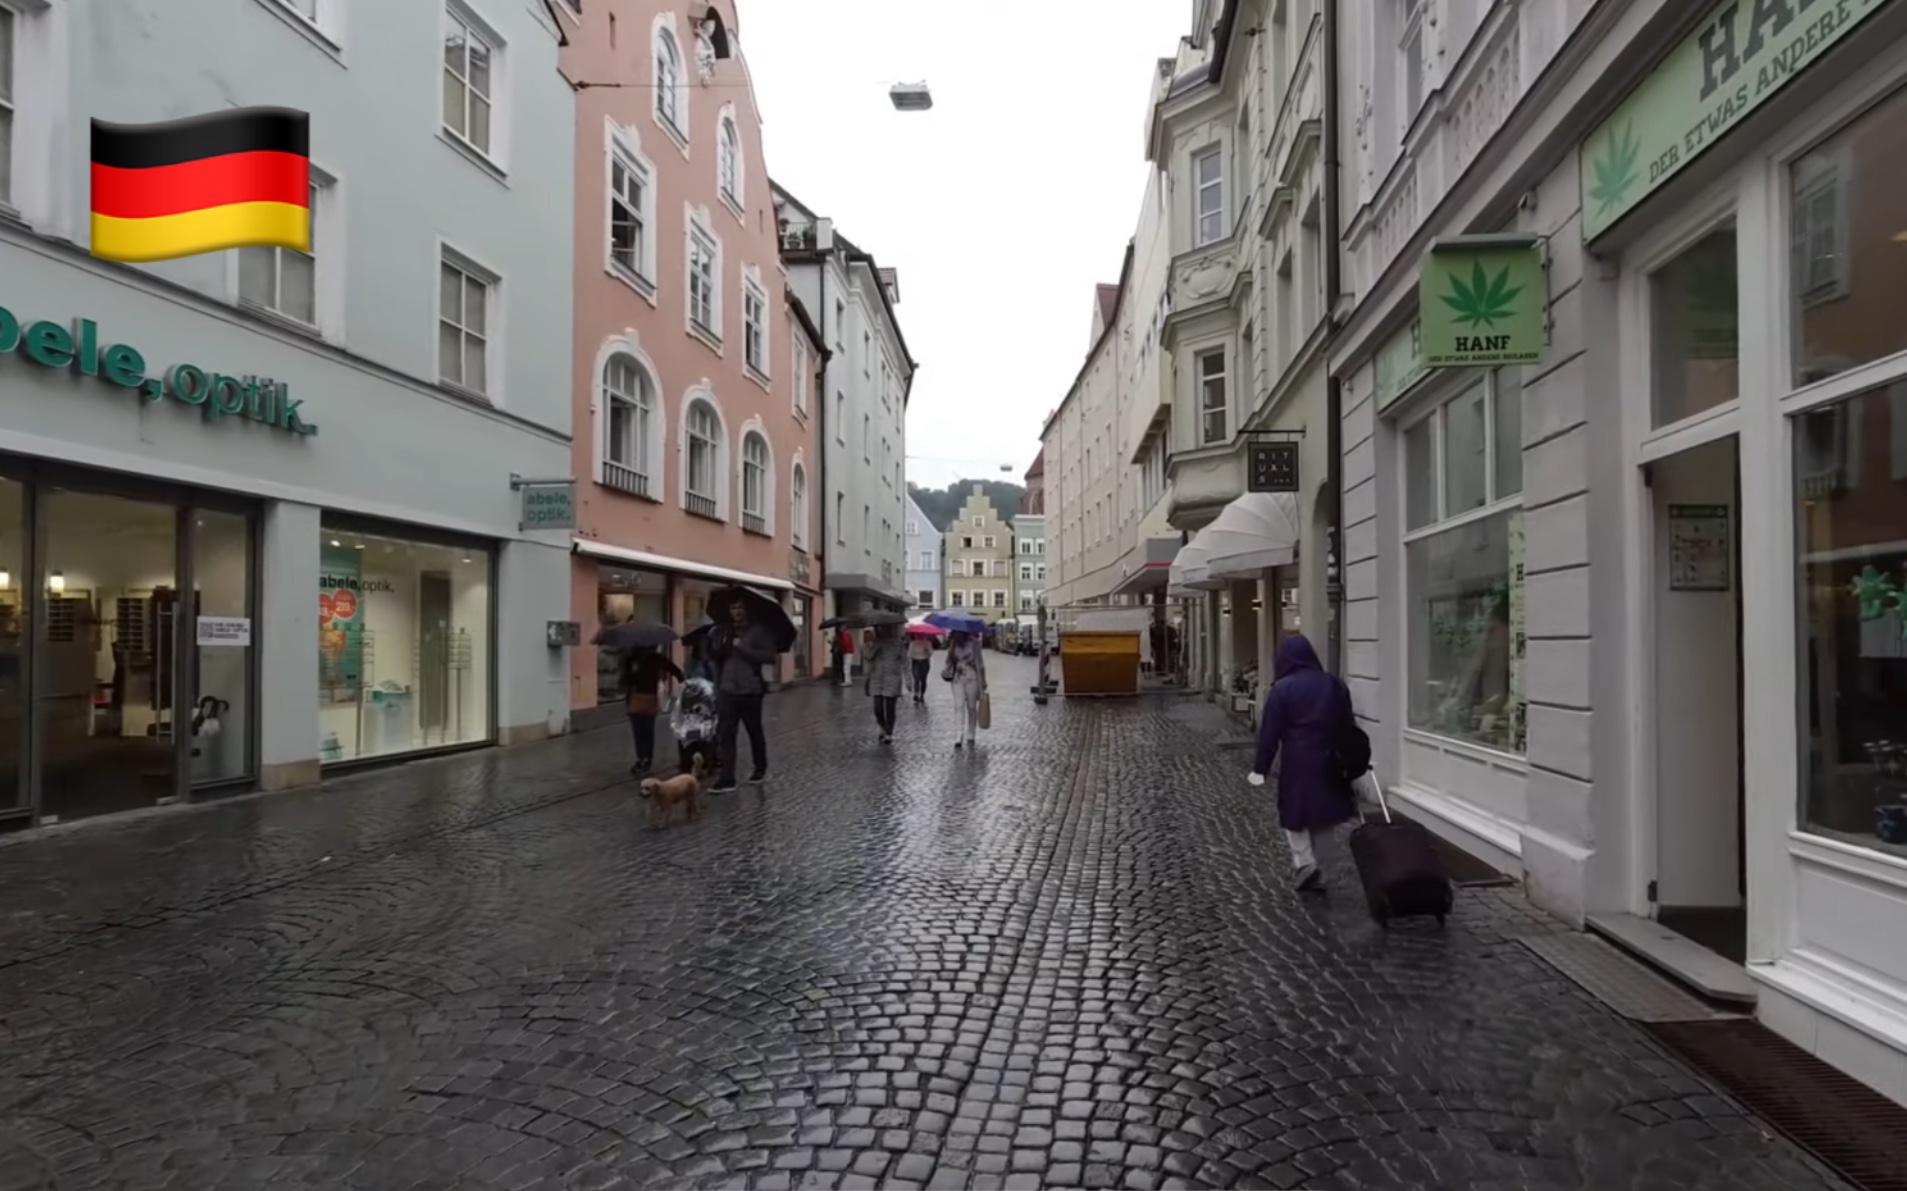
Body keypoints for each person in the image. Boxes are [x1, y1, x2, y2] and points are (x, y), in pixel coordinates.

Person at [1246, 633, 1360, 891]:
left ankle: (1305, 862)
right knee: (1325, 812)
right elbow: (1348, 724)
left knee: (1294, 813)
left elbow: (1269, 733)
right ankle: (1323, 863)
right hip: (1331, 758)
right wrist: (1354, 758)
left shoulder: (1283, 689)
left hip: (1298, 760)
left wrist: (1260, 769)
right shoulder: (1334, 684)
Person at [707, 595, 779, 793]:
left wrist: (743, 648)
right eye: (733, 607)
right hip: (727, 689)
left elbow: (770, 656)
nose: (737, 611)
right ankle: (727, 777)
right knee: (726, 733)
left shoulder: (759, 631)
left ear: (747, 610)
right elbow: (718, 658)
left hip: (751, 689)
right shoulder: (725, 631)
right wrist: (717, 684)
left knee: (753, 730)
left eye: (740, 607)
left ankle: (760, 767)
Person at [621, 645, 684, 774]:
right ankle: (644, 758)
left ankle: (643, 758)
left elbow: (675, 670)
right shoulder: (635, 659)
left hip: (643, 698)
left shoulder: (646, 659)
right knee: (644, 730)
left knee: (642, 730)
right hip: (642, 698)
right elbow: (675, 671)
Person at [942, 629, 988, 750]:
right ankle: (959, 734)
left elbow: (980, 664)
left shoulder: (975, 643)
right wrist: (950, 654)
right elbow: (947, 662)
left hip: (972, 678)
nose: (957, 636)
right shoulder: (953, 643)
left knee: (972, 707)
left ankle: (971, 732)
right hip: (957, 679)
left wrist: (982, 682)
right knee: (959, 705)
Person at [862, 624, 906, 743]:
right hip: (877, 678)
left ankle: (888, 732)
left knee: (890, 707)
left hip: (892, 678)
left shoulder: (898, 644)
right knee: (878, 707)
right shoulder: (877, 642)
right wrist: (867, 644)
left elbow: (905, 661)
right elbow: (868, 657)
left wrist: (908, 680)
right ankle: (882, 726)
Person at [906, 631, 935, 704]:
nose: (918, 636)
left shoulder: (927, 643)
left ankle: (922, 694)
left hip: (924, 662)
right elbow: (909, 654)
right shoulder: (912, 643)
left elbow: (931, 653)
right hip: (915, 662)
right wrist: (913, 656)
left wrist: (927, 651)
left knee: (923, 679)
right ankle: (916, 693)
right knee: (916, 678)